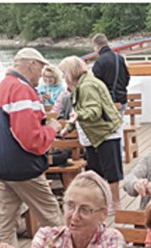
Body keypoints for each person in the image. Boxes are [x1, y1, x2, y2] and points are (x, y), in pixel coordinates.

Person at [0, 47, 64, 248]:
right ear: (32, 64)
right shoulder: (21, 90)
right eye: (40, 68)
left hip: (1, 167)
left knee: (6, 221)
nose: (41, 75)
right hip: (23, 168)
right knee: (52, 217)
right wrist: (53, 128)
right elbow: (30, 139)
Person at [58, 55, 125, 209]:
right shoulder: (81, 85)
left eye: (64, 73)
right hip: (94, 135)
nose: (63, 77)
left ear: (71, 72)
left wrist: (79, 116)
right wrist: (68, 128)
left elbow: (93, 110)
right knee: (96, 170)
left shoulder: (87, 86)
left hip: (105, 132)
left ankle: (115, 204)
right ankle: (101, 203)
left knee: (110, 171)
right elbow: (79, 111)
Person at [91, 33, 130, 108]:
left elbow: (97, 84)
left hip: (108, 102)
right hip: (122, 99)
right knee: (119, 119)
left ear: (97, 46)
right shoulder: (119, 58)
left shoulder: (99, 62)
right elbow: (127, 78)